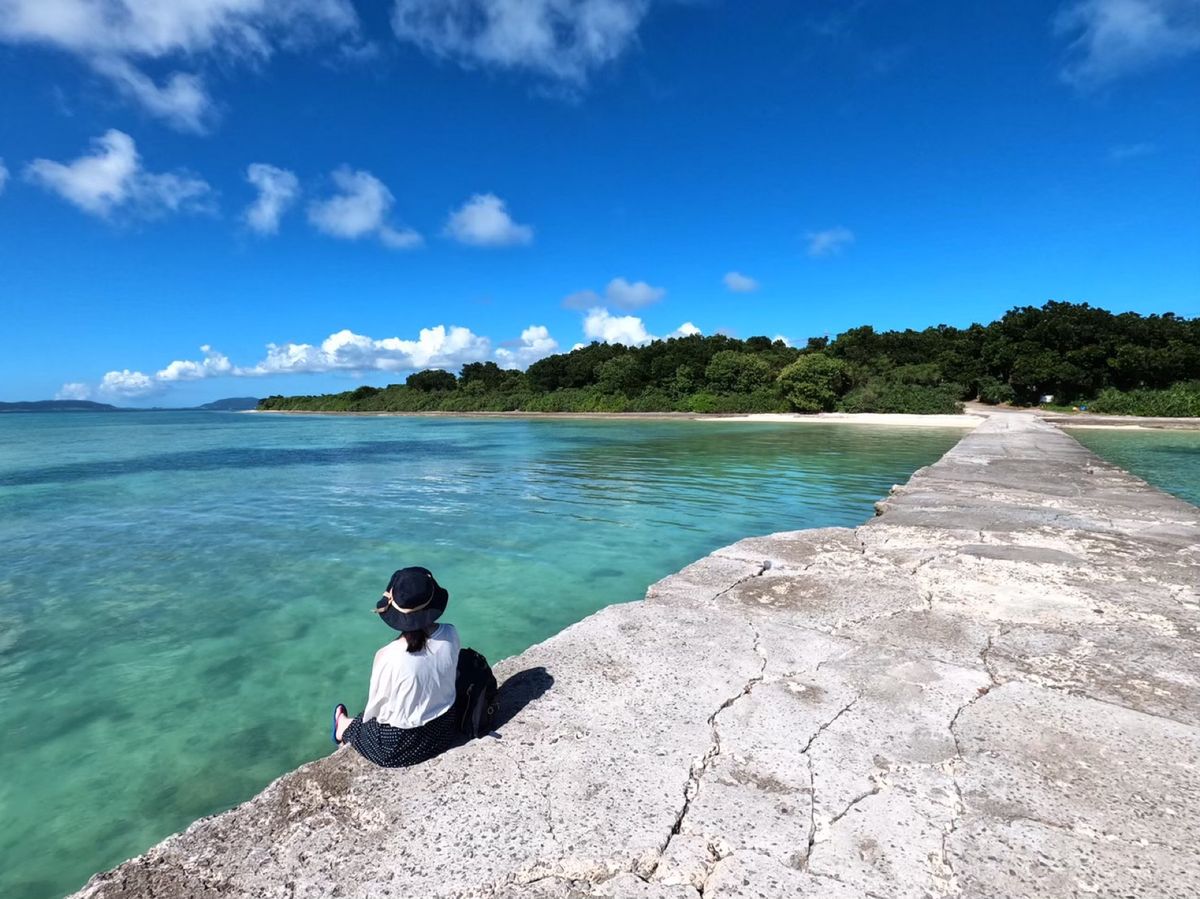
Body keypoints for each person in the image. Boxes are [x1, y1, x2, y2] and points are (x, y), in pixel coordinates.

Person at [332, 566, 461, 767]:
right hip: (444, 730)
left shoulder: (388, 656)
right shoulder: (451, 633)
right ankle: (345, 723)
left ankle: (342, 726)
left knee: (362, 724)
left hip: (398, 747)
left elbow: (375, 712)